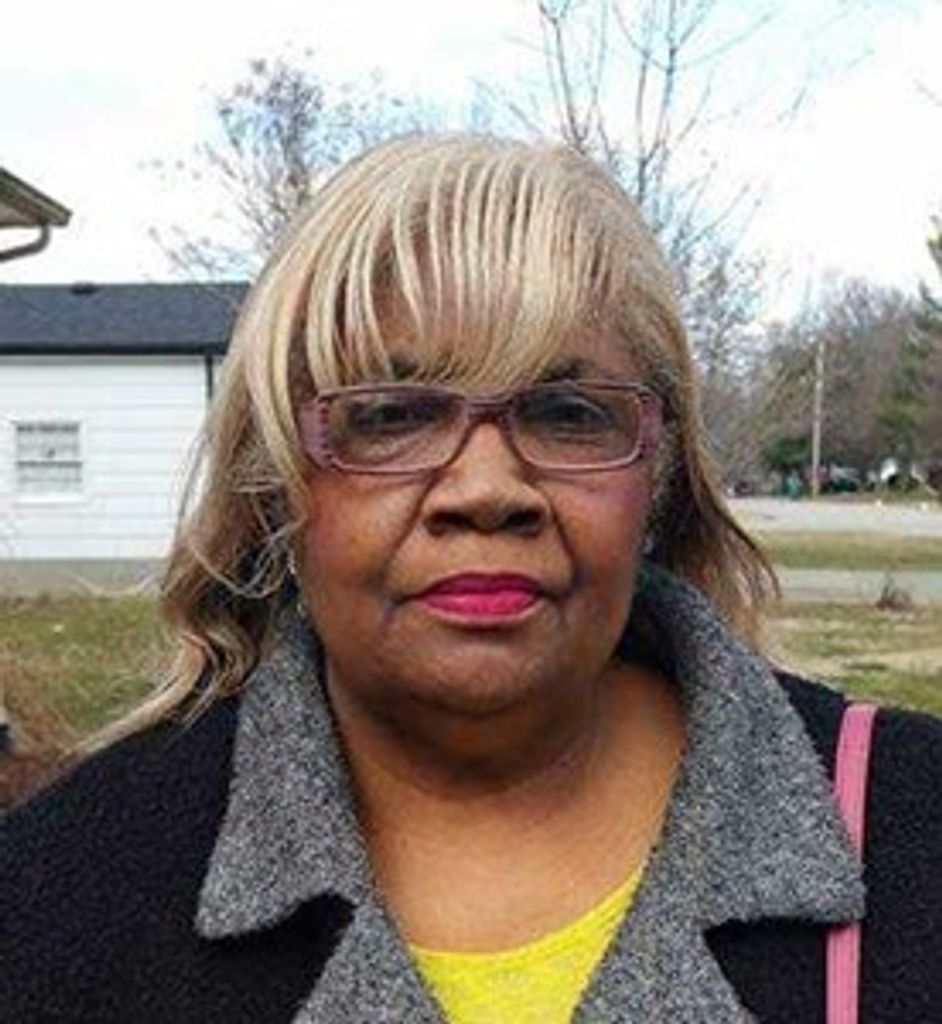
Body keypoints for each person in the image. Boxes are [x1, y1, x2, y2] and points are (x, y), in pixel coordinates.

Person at [2, 134, 941, 1024]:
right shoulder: (59, 898)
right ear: (275, 483)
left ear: (659, 477)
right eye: (392, 415)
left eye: (567, 412)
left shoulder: (913, 823)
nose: (487, 489)